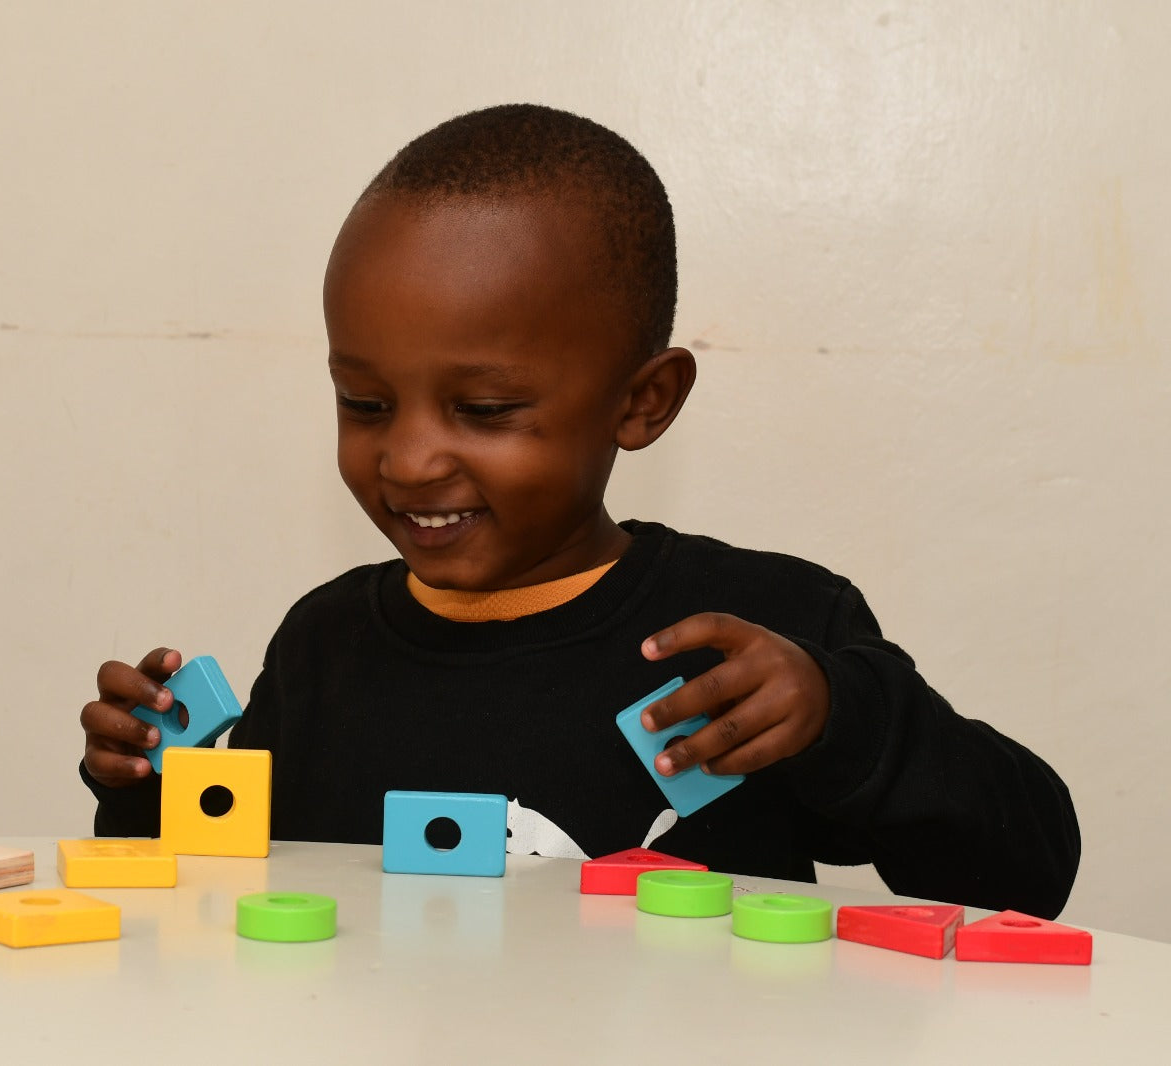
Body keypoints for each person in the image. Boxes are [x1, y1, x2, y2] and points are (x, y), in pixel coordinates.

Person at [78, 103, 1080, 919]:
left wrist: (842, 718)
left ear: (642, 402)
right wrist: (143, 789)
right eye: (365, 402)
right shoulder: (322, 647)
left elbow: (1019, 876)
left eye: (484, 409)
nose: (410, 456)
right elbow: (226, 908)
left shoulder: (756, 642)